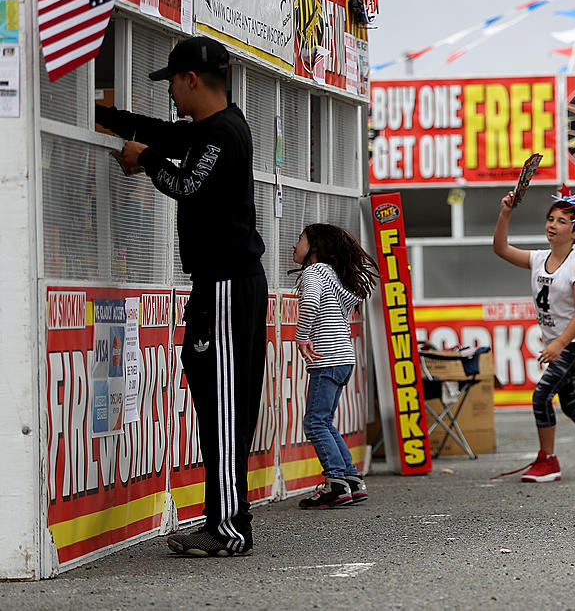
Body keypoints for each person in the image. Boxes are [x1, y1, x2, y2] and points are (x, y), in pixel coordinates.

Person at [96, 36, 269, 554]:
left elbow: (189, 184)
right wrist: (106, 117)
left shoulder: (223, 134)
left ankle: (229, 526)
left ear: (192, 79)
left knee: (224, 406)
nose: (169, 91)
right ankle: (225, 520)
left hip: (227, 287)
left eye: (171, 80)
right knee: (216, 403)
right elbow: (158, 134)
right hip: (219, 286)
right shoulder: (208, 130)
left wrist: (146, 161)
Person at [492, 186, 575, 482]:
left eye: (562, 221)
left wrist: (559, 345)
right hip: (559, 342)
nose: (552, 225)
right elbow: (500, 249)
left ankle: (549, 460)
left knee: (542, 395)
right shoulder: (538, 259)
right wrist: (506, 213)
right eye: (551, 219)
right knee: (570, 403)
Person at [290, 224, 378, 508]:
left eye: (300, 239)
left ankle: (336, 484)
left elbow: (312, 302)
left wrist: (302, 336)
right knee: (325, 421)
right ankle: (351, 479)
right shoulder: (333, 275)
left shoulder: (314, 272)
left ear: (315, 248)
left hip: (327, 358)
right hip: (343, 358)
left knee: (314, 423)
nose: (294, 245)